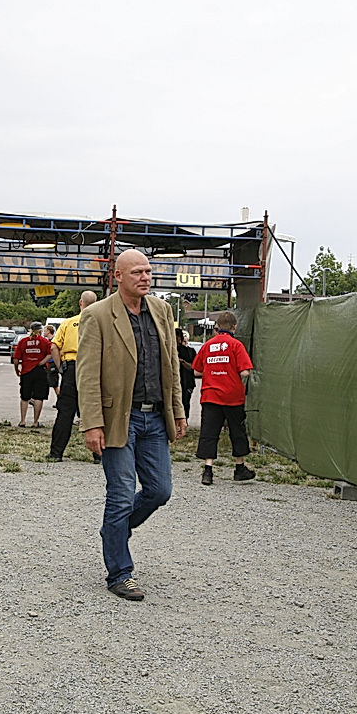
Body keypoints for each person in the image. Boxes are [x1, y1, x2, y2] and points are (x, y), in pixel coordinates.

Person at [77, 250, 186, 602]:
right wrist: (92, 423)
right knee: (121, 494)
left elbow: (171, 365)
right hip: (117, 419)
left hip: (155, 417)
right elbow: (87, 375)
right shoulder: (96, 315)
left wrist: (178, 410)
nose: (146, 277)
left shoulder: (162, 310)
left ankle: (115, 530)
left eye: (149, 271)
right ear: (118, 275)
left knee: (160, 491)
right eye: (138, 272)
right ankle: (120, 573)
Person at [193, 311, 255, 485]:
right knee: (237, 431)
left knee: (209, 432)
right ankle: (239, 468)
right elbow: (244, 371)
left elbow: (197, 370)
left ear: (217, 327)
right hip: (232, 397)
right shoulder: (236, 345)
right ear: (234, 327)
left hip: (210, 395)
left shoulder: (207, 345)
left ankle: (208, 470)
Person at [47, 290, 98, 462]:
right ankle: (99, 455)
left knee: (65, 412)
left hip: (72, 369)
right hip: (93, 369)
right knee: (94, 412)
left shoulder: (68, 323)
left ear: (80, 303)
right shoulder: (101, 323)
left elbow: (54, 347)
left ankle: (56, 453)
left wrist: (61, 368)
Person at [13, 321, 52, 428]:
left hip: (26, 371)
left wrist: (17, 370)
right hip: (40, 371)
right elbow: (50, 354)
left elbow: (16, 359)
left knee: (25, 397)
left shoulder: (23, 341)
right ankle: (35, 422)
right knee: (39, 397)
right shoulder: (45, 341)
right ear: (40, 330)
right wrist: (42, 362)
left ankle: (22, 421)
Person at [176, 328, 197, 420]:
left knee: (185, 402)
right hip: (174, 383)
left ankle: (184, 420)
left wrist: (181, 361)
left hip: (186, 382)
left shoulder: (189, 352)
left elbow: (193, 367)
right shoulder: (167, 350)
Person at [42, 324, 61, 403]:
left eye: (45, 331)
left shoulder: (54, 340)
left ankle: (60, 400)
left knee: (54, 384)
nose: (44, 332)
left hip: (53, 363)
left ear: (49, 331)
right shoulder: (48, 340)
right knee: (49, 382)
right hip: (49, 363)